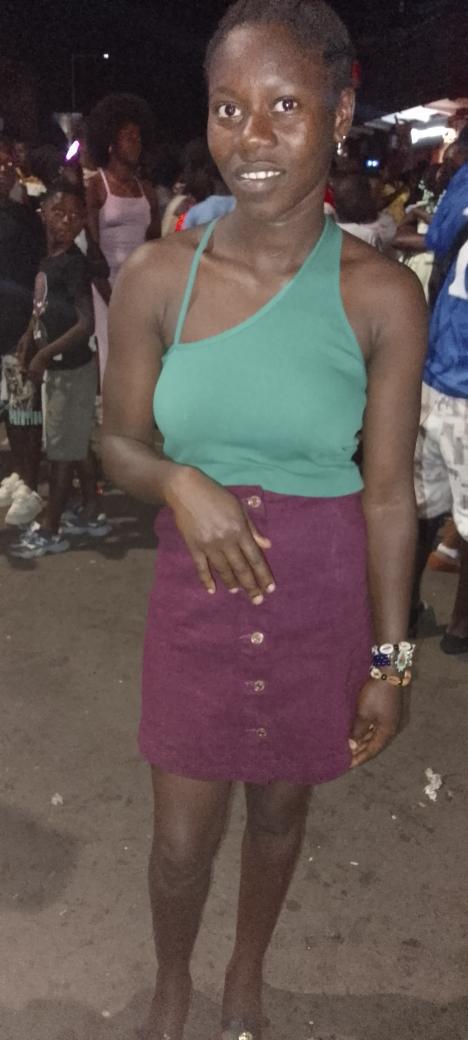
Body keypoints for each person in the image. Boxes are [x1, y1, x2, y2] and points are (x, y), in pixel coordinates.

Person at [103, 2, 426, 1037]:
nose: (252, 136)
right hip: (193, 597)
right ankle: (174, 979)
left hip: (319, 596)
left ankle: (246, 970)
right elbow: (117, 443)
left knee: (281, 812)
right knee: (179, 843)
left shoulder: (382, 295)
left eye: (285, 105)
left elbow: (388, 495)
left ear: (341, 112)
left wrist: (390, 659)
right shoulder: (160, 275)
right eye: (228, 107)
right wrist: (178, 483)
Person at [10, 182, 110, 560]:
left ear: (83, 221)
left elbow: (85, 323)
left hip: (70, 372)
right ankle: (92, 511)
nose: (66, 220)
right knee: (75, 441)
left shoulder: (72, 264)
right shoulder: (49, 260)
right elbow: (43, 308)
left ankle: (51, 527)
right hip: (61, 370)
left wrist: (43, 356)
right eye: (58, 212)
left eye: (74, 215)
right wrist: (28, 339)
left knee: (61, 452)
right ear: (43, 215)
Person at [411, 128, 468, 653]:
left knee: (420, 507)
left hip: (437, 375)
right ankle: (459, 628)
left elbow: (436, 245)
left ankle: (402, 614)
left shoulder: (463, 186)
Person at [86, 94, 161, 381]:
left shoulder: (147, 191)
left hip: (139, 287)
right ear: (111, 144)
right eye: (129, 137)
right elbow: (93, 252)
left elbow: (154, 245)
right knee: (112, 361)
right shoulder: (96, 186)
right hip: (107, 287)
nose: (136, 143)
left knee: (142, 361)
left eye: (138, 137)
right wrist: (113, 299)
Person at [0, 135, 45, 523]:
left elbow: (39, 275)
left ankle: (29, 485)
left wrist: (33, 326)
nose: (2, 172)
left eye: (6, 166)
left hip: (17, 327)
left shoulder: (26, 218)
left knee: (24, 412)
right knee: (9, 412)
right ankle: (16, 475)